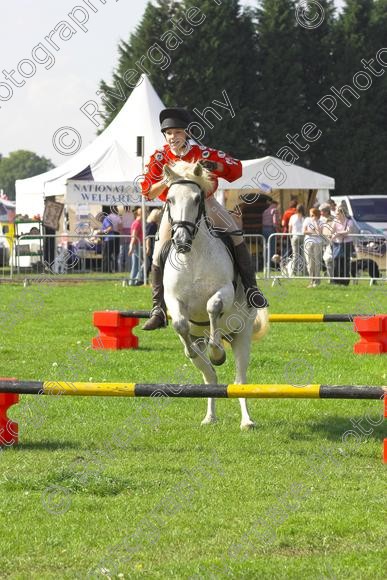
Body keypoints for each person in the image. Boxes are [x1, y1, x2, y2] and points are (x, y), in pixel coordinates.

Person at [140, 107, 268, 330]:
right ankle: (158, 309)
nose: (173, 137)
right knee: (158, 250)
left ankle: (251, 290)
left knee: (236, 235)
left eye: (177, 132)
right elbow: (148, 192)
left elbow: (236, 170)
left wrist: (215, 166)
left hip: (207, 203)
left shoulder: (204, 153)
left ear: (187, 133)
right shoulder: (159, 157)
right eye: (169, 133)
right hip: (175, 209)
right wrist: (168, 181)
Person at [331, 204, 357, 285]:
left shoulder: (349, 222)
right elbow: (331, 232)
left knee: (345, 263)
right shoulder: (335, 222)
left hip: (347, 245)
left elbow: (348, 232)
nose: (336, 215)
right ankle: (335, 281)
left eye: (337, 214)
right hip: (337, 244)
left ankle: (345, 282)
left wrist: (338, 233)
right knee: (336, 263)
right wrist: (334, 235)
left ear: (342, 213)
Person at [303, 207, 323, 287]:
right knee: (309, 263)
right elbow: (304, 231)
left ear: (317, 215)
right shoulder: (307, 220)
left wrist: (315, 222)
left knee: (317, 262)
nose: (311, 216)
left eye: (313, 214)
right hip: (308, 243)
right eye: (311, 214)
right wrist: (313, 232)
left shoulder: (320, 222)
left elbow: (319, 232)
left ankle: (317, 281)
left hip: (317, 243)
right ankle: (311, 280)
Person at [100, 206, 121, 273]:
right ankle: (115, 269)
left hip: (108, 238)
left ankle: (106, 270)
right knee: (115, 255)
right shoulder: (118, 217)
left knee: (106, 255)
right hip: (116, 236)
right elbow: (121, 227)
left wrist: (102, 232)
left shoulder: (107, 218)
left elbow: (110, 228)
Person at [288, 203, 305, 276]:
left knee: (295, 255)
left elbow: (290, 228)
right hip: (303, 237)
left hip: (295, 236)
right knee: (304, 255)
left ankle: (293, 273)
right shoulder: (305, 218)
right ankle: (305, 272)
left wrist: (290, 237)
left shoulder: (292, 217)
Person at [128, 207, 144, 286]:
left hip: (137, 244)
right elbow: (134, 236)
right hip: (136, 245)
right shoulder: (137, 223)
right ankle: (133, 280)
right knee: (140, 264)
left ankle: (133, 281)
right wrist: (131, 246)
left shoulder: (138, 222)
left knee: (137, 264)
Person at [319, 202, 334, 281]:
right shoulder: (321, 219)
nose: (320, 213)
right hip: (322, 242)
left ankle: (331, 278)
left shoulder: (333, 219)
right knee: (325, 260)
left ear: (327, 211)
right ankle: (330, 277)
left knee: (329, 260)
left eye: (322, 211)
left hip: (331, 243)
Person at [262, 200, 280, 265]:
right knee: (272, 247)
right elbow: (275, 222)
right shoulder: (274, 210)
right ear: (275, 204)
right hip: (271, 229)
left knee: (266, 247)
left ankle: (265, 263)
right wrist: (277, 231)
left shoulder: (265, 211)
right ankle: (271, 263)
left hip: (264, 229)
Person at [145, 208, 162, 276]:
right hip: (151, 246)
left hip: (153, 246)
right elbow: (148, 237)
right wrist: (148, 248)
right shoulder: (151, 225)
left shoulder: (154, 224)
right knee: (149, 263)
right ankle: (143, 277)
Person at [118, 206, 134, 273]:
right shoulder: (132, 214)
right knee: (128, 252)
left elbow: (120, 225)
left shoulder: (122, 215)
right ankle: (128, 269)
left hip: (125, 234)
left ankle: (120, 269)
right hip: (129, 233)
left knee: (122, 252)